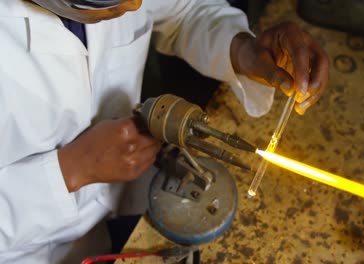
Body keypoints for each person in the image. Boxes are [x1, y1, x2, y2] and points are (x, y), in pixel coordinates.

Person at [0, 0, 329, 263]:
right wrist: (71, 170)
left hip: (124, 202)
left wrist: (242, 48)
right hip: (34, 248)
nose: (135, 5)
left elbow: (183, 10)